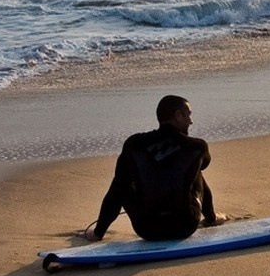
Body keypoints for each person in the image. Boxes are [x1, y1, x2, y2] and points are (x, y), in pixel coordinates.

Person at [86, 95, 219, 241]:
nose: (191, 121)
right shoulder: (196, 147)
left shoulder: (134, 144)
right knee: (195, 168)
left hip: (147, 228)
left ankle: (98, 234)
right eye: (188, 115)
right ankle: (212, 219)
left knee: (122, 181)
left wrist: (99, 232)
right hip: (184, 225)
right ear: (178, 115)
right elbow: (205, 163)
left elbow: (117, 192)